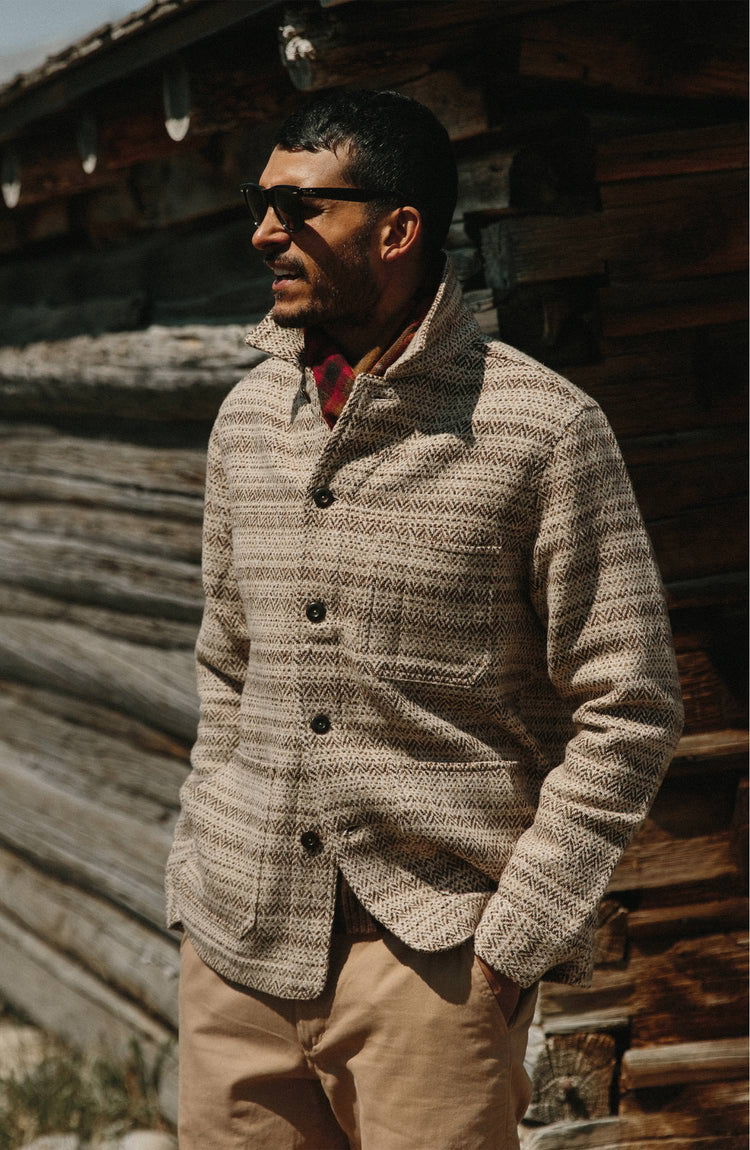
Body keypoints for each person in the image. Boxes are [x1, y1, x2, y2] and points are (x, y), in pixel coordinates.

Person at [165, 89, 683, 1149]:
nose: (265, 231)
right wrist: (198, 861)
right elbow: (226, 665)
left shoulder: (542, 430)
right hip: (237, 959)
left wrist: (513, 941)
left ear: (396, 229)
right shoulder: (244, 420)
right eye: (260, 201)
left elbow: (629, 708)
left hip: (436, 966)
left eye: (299, 206)